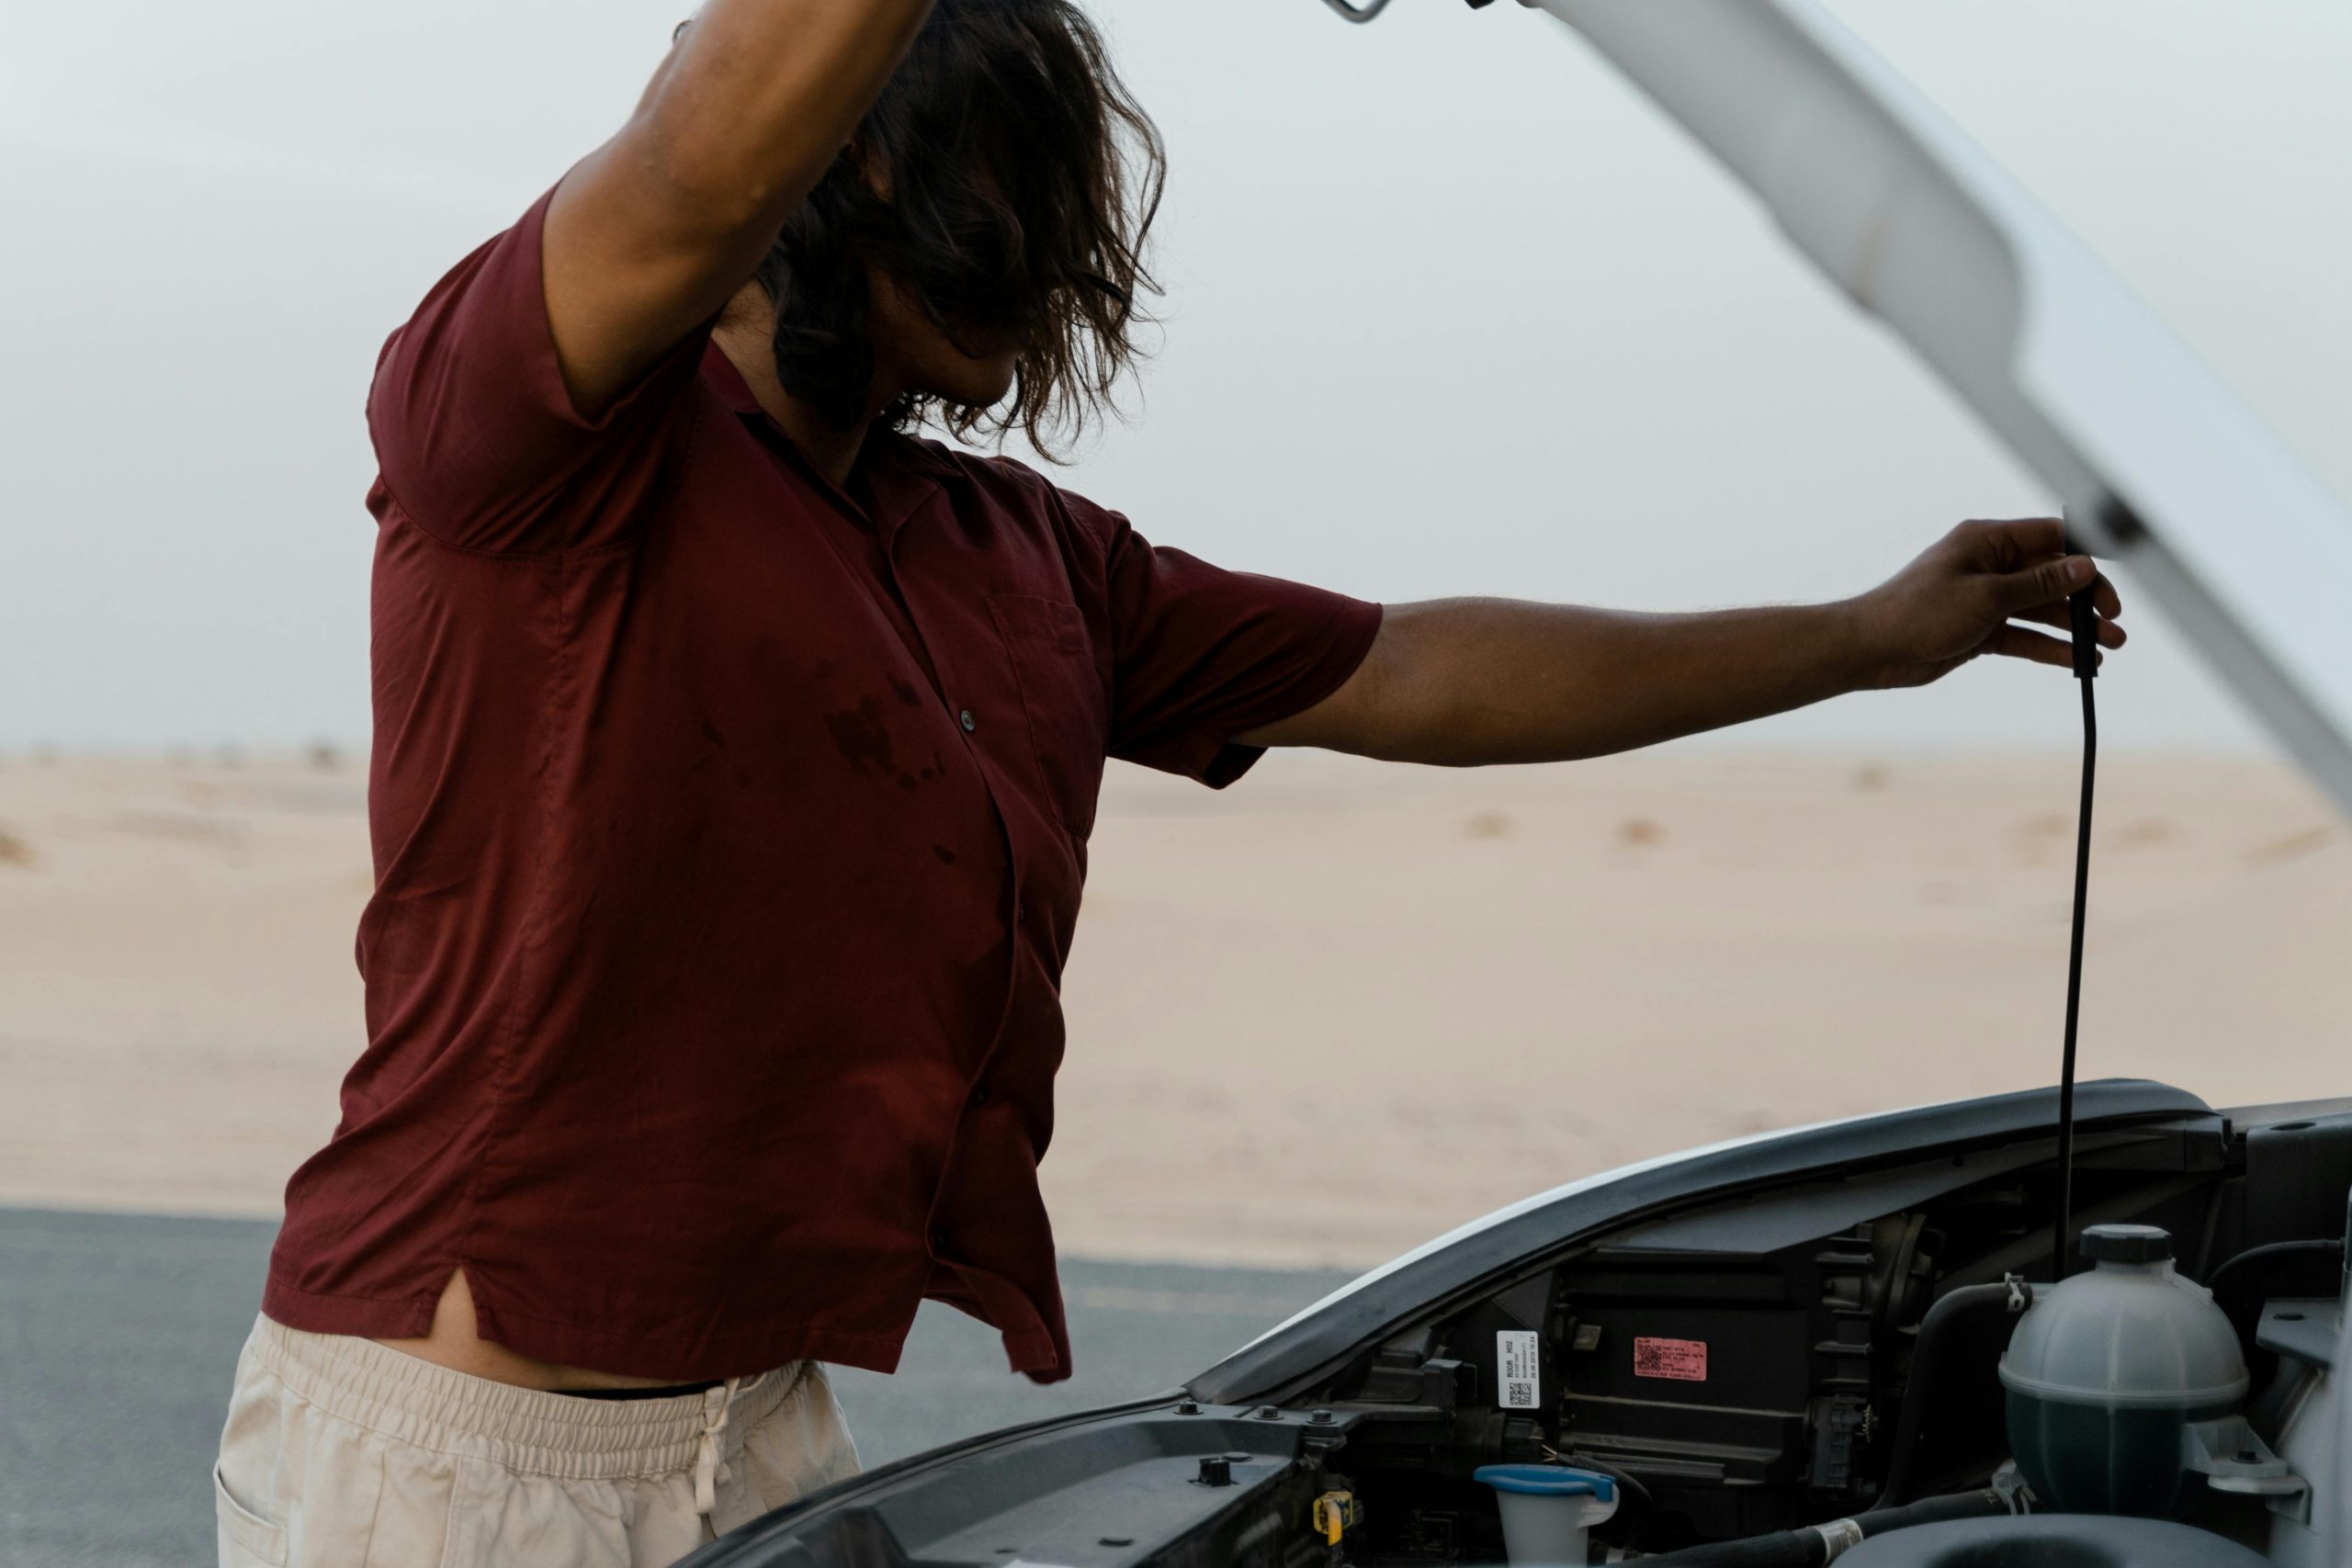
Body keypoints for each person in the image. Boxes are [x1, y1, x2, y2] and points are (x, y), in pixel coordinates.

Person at [211, 2, 2126, 1564]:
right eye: (985, 169)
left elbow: (1415, 666)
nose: (1031, 239)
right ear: (839, 149)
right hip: (452, 1468)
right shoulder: (537, 436)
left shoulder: (1014, 554)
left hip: (757, 1432)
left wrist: (1862, 634)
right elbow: (695, 151)